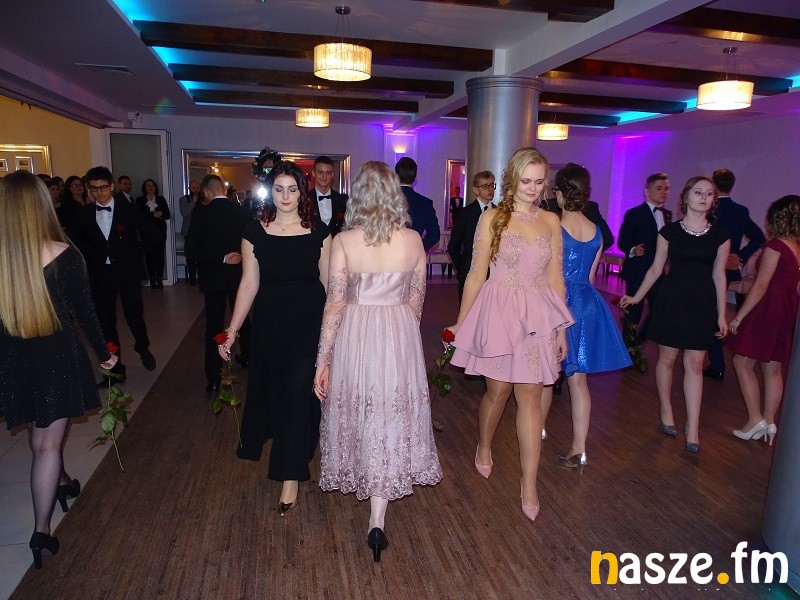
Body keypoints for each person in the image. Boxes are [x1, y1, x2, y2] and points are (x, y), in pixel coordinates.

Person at [313, 161, 442, 562]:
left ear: (358, 196)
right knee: (389, 412)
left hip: (356, 332)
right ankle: (377, 518)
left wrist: (323, 359)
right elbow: (417, 300)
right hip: (398, 330)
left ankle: (369, 488)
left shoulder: (344, 241)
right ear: (395, 195)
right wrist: (402, 337)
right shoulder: (414, 241)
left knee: (361, 406)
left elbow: (335, 304)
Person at [448, 148, 573, 522]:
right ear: (512, 180)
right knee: (498, 391)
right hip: (499, 311)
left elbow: (555, 277)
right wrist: (460, 323)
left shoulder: (551, 221)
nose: (533, 188)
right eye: (526, 180)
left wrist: (561, 328)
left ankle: (529, 482)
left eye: (539, 181)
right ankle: (484, 444)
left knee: (532, 395)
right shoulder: (492, 218)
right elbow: (476, 274)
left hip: (538, 315)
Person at [0, 171, 118, 569]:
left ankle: (63, 483)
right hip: (54, 357)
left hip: (12, 358)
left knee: (39, 432)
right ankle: (41, 530)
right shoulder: (63, 254)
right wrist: (104, 354)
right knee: (47, 444)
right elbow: (85, 312)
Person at [219, 160, 331, 516]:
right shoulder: (254, 231)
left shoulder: (319, 232)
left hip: (309, 323)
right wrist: (232, 330)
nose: (285, 196)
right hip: (270, 323)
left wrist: (334, 335)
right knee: (281, 395)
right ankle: (298, 449)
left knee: (298, 392)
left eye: (292, 189)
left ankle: (289, 475)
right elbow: (248, 283)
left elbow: (330, 287)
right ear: (271, 192)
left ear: (302, 193)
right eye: (279, 189)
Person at [620, 176, 730, 454]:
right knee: (667, 360)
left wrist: (722, 314)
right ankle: (666, 409)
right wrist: (637, 297)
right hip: (672, 301)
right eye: (698, 192)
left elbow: (719, 276)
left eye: (709, 193)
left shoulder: (720, 235)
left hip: (702, 305)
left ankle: (693, 426)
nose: (704, 197)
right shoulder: (668, 232)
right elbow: (655, 269)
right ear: (686, 197)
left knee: (695, 364)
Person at [540, 165, 631, 469]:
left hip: (558, 303)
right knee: (578, 382)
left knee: (546, 376)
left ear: (560, 193)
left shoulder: (552, 226)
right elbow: (590, 278)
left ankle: (537, 430)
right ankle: (579, 449)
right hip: (587, 304)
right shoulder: (598, 232)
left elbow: (547, 274)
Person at [68, 166, 162, 382]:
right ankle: (116, 368)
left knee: (134, 316)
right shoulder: (84, 213)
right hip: (101, 273)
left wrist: (133, 251)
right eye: (94, 189)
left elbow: (154, 236)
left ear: (111, 186)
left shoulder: (128, 210)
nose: (99, 193)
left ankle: (142, 347)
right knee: (105, 321)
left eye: (102, 188)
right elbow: (73, 238)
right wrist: (92, 253)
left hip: (127, 272)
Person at [728, 195, 800, 446]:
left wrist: (739, 317)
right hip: (788, 307)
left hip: (769, 307)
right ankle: (769, 423)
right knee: (773, 367)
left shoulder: (776, 246)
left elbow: (760, 286)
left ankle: (755, 419)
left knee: (742, 361)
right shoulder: (797, 247)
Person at [187, 174, 252, 393]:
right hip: (239, 276)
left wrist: (221, 258)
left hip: (213, 277)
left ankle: (213, 378)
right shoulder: (243, 213)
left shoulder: (200, 213)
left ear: (206, 192)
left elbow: (192, 251)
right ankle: (249, 358)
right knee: (243, 320)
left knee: (214, 326)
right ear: (223, 190)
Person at [703, 168, 766, 381]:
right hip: (727, 270)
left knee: (707, 313)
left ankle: (715, 362)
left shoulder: (709, 209)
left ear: (713, 184)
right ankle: (715, 362)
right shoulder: (739, 211)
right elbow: (759, 237)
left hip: (706, 268)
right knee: (715, 313)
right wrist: (739, 256)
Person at [617, 173, 672, 343]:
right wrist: (633, 249)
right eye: (659, 188)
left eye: (666, 189)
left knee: (659, 310)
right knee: (634, 311)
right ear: (647, 191)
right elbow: (622, 241)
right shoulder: (634, 213)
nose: (664, 192)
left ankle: (639, 341)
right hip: (638, 271)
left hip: (658, 272)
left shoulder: (667, 215)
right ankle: (629, 348)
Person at [448, 171, 495, 301]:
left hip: (494, 274)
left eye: (492, 185)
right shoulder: (465, 213)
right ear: (476, 190)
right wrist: (462, 269)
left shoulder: (499, 212)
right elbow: (453, 246)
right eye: (485, 186)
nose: (490, 189)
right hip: (470, 271)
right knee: (468, 309)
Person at [395, 157, 441, 251]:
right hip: (414, 254)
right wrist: (418, 247)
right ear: (416, 176)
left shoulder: (386, 200)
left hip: (389, 254)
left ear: (396, 176)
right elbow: (434, 235)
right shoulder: (425, 203)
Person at [136, 179, 171, 288]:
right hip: (146, 232)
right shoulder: (140, 200)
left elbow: (167, 215)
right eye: (148, 185)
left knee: (160, 254)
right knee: (149, 255)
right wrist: (153, 214)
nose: (150, 187)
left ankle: (159, 279)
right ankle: (152, 279)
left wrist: (160, 214)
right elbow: (139, 215)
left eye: (152, 185)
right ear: (144, 188)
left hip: (160, 230)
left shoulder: (161, 199)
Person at [311, 155, 348, 236]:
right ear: (313, 173)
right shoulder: (305, 198)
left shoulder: (342, 199)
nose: (324, 177)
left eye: (328, 173)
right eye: (320, 172)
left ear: (332, 175)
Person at [179, 179, 201, 285]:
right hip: (189, 231)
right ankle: (192, 278)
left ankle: (201, 277)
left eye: (197, 188)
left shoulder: (203, 199)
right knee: (190, 256)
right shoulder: (184, 199)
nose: (196, 190)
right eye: (193, 188)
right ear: (189, 188)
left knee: (201, 255)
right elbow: (184, 213)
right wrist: (192, 203)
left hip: (201, 231)